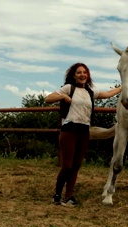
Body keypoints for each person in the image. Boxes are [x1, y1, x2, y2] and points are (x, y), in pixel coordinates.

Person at [45, 62, 121, 206]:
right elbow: (48, 98)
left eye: (85, 72)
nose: (82, 75)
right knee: (67, 165)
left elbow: (106, 94)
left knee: (76, 165)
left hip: (84, 131)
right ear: (74, 75)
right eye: (79, 72)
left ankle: (69, 196)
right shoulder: (69, 88)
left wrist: (122, 87)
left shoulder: (90, 91)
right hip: (69, 130)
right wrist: (63, 97)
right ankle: (57, 194)